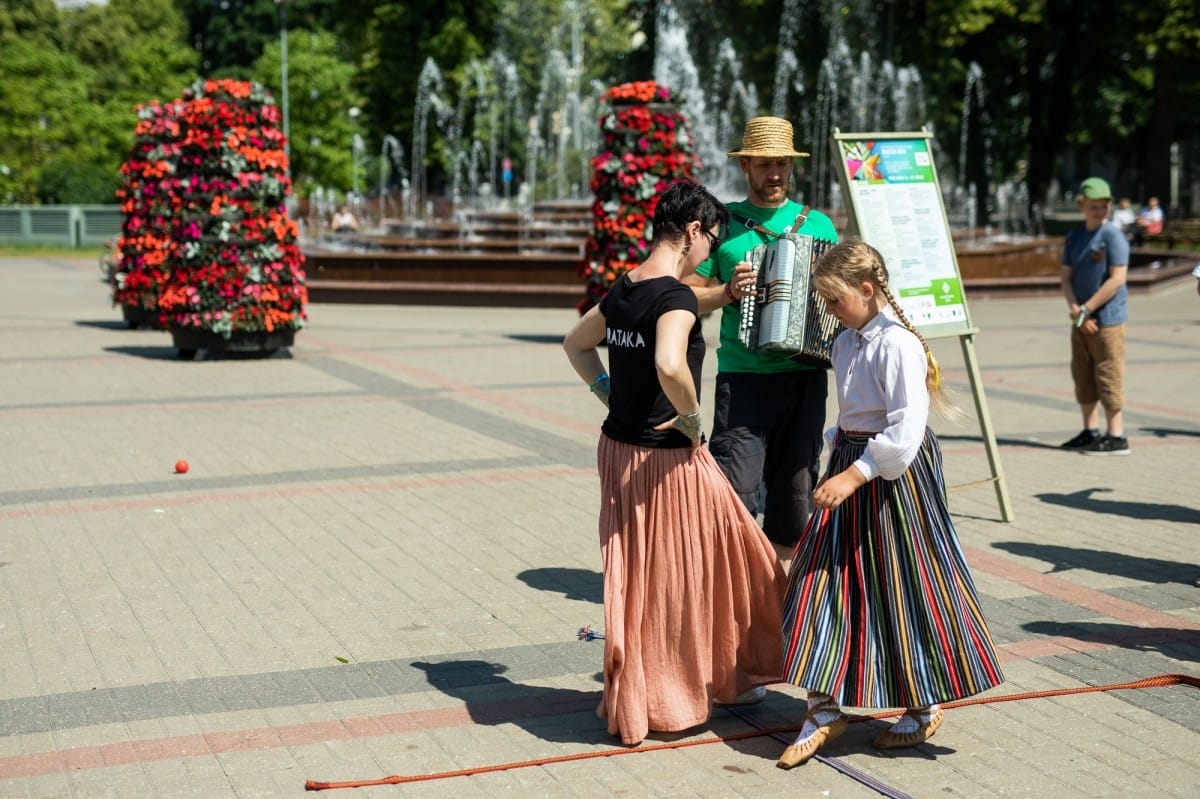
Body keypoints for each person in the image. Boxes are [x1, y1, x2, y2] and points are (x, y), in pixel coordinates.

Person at [562, 179, 785, 747]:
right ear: (692, 232)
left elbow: (575, 344)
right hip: (665, 460)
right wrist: (690, 418)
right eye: (712, 239)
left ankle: (695, 682)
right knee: (729, 557)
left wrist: (609, 394)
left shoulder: (626, 287)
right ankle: (694, 685)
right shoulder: (675, 296)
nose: (712, 250)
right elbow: (668, 361)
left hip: (618, 450)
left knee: (644, 578)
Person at [774, 240, 1005, 769]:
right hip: (854, 463)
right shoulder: (848, 341)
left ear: (867, 289)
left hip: (892, 478)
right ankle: (822, 706)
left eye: (834, 301)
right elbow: (854, 411)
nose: (828, 312)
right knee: (817, 580)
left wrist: (854, 474)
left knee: (901, 583)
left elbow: (905, 432)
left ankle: (923, 704)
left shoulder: (897, 344)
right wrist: (837, 450)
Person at [682, 116, 839, 572]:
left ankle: (782, 600)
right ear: (745, 166)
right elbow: (685, 292)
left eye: (783, 165)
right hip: (744, 380)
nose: (776, 174)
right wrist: (728, 292)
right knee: (735, 492)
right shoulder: (724, 226)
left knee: (795, 497)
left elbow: (839, 299)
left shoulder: (820, 226)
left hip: (805, 378)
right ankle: (735, 593)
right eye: (766, 164)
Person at [1059, 177, 1131, 455]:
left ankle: (1117, 436)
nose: (1099, 211)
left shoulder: (1113, 236)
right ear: (1082, 206)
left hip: (1108, 320)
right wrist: (1077, 311)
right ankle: (1090, 431)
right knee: (1083, 374)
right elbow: (1066, 277)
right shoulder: (1075, 236)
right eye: (1093, 206)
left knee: (1108, 373)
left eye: (1103, 206)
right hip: (1081, 318)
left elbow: (1116, 280)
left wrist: (1087, 309)